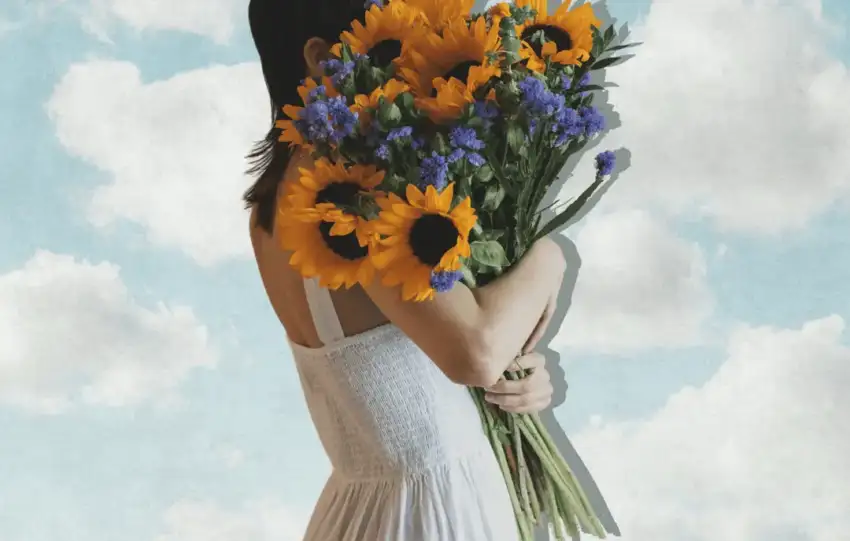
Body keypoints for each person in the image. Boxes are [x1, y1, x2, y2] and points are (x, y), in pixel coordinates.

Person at [245, 0, 568, 539]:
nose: (417, 54)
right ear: (324, 60)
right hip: (431, 514)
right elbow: (475, 352)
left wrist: (521, 379)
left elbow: (401, 359)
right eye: (391, 39)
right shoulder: (349, 191)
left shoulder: (278, 196)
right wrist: (553, 258)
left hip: (367, 507)